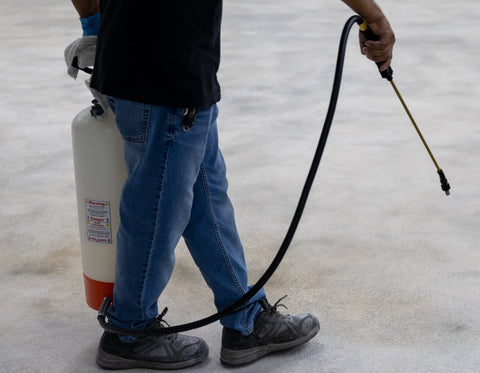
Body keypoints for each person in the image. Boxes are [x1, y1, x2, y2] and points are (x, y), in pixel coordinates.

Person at [66, 0, 394, 369]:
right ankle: (129, 331)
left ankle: (245, 318)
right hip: (165, 71)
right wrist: (374, 15)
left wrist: (93, 21)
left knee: (206, 195)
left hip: (160, 66)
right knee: (158, 205)